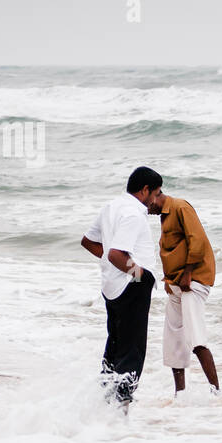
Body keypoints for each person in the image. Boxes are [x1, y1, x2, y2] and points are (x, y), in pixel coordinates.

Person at [81, 167, 162, 406]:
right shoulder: (133, 214)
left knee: (115, 346)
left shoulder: (112, 206)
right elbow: (117, 254)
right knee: (132, 351)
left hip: (112, 285)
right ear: (145, 190)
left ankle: (106, 403)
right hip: (131, 285)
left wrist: (112, 265)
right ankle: (121, 409)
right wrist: (141, 275)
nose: (156, 201)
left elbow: (88, 242)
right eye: (156, 194)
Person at [147, 189, 220, 394]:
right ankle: (180, 395)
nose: (145, 208)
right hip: (177, 283)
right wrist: (169, 280)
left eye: (146, 202)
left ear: (152, 193)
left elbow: (197, 241)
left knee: (195, 338)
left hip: (193, 280)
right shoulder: (164, 215)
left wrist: (188, 273)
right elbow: (172, 250)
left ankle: (217, 392)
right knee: (173, 341)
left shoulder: (180, 207)